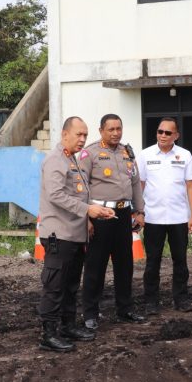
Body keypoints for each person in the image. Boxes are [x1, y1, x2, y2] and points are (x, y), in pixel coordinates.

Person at [38, 116, 116, 352]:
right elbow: (56, 196)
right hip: (58, 234)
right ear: (64, 135)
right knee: (55, 285)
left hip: (74, 233)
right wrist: (87, 209)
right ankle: (48, 335)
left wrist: (93, 213)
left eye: (85, 135)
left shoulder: (70, 159)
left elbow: (79, 194)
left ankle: (68, 325)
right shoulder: (55, 160)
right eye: (78, 135)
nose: (83, 139)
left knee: (71, 284)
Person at [79, 114, 146, 331]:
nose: (116, 133)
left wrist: (139, 211)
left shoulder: (127, 151)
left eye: (119, 128)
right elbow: (79, 187)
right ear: (101, 131)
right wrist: (87, 217)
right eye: (111, 129)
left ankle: (124, 309)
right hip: (100, 215)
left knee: (124, 265)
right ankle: (90, 313)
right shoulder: (91, 153)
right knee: (95, 266)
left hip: (123, 214)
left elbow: (135, 183)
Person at [137, 118, 192, 314]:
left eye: (168, 133)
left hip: (178, 217)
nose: (163, 135)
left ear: (176, 136)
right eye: (160, 131)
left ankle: (181, 299)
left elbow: (190, 186)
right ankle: (151, 302)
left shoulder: (185, 155)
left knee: (180, 260)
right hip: (153, 218)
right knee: (152, 261)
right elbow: (140, 186)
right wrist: (139, 212)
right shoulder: (145, 155)